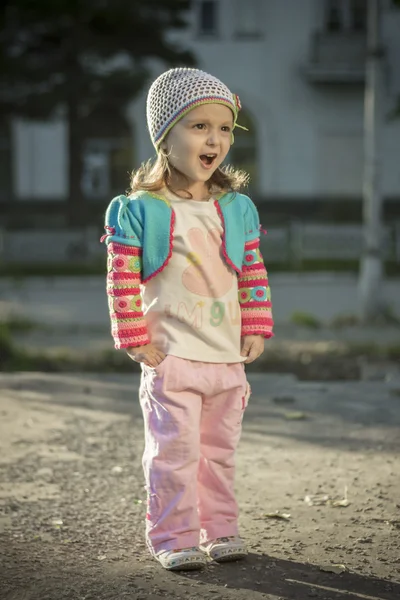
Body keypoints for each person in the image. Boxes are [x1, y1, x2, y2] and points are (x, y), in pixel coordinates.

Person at [101, 68, 274, 571]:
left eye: (224, 128)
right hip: (173, 357)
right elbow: (121, 278)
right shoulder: (140, 209)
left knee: (219, 455)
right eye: (199, 126)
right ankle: (173, 536)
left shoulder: (236, 207)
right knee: (174, 456)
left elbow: (253, 270)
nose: (214, 139)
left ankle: (219, 530)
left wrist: (255, 326)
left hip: (225, 360)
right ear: (164, 137)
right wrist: (134, 337)